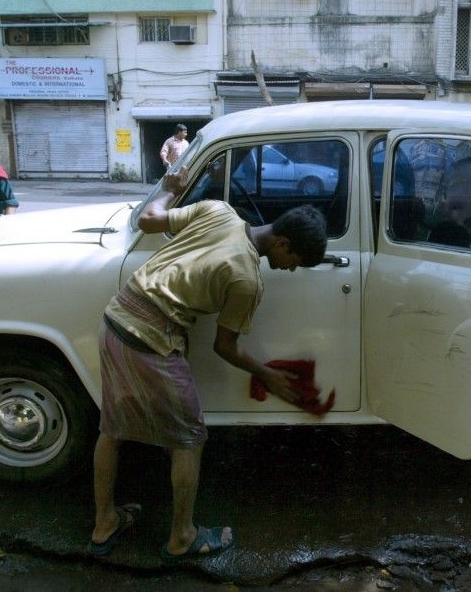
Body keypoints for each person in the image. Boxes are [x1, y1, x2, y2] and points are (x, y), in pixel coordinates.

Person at [88, 167, 328, 563]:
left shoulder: (219, 211)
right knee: (189, 439)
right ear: (283, 243)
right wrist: (267, 374)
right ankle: (182, 536)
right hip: (151, 340)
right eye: (294, 261)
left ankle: (105, 523)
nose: (290, 269)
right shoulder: (247, 279)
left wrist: (167, 189)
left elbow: (148, 219)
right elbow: (225, 347)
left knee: (112, 428)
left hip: (115, 319)